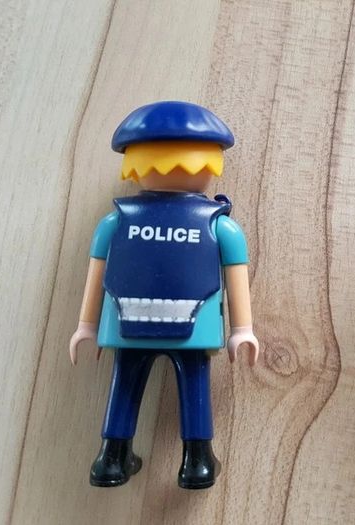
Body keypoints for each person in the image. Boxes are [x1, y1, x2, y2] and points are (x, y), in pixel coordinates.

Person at [69, 101, 259, 488]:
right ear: (211, 163)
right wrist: (242, 330)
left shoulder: (115, 222)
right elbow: (236, 276)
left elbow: (97, 273)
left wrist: (86, 325)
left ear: (134, 163)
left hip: (128, 320)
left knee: (125, 381)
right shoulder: (221, 227)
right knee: (194, 385)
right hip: (193, 325)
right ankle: (197, 463)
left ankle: (111, 460)